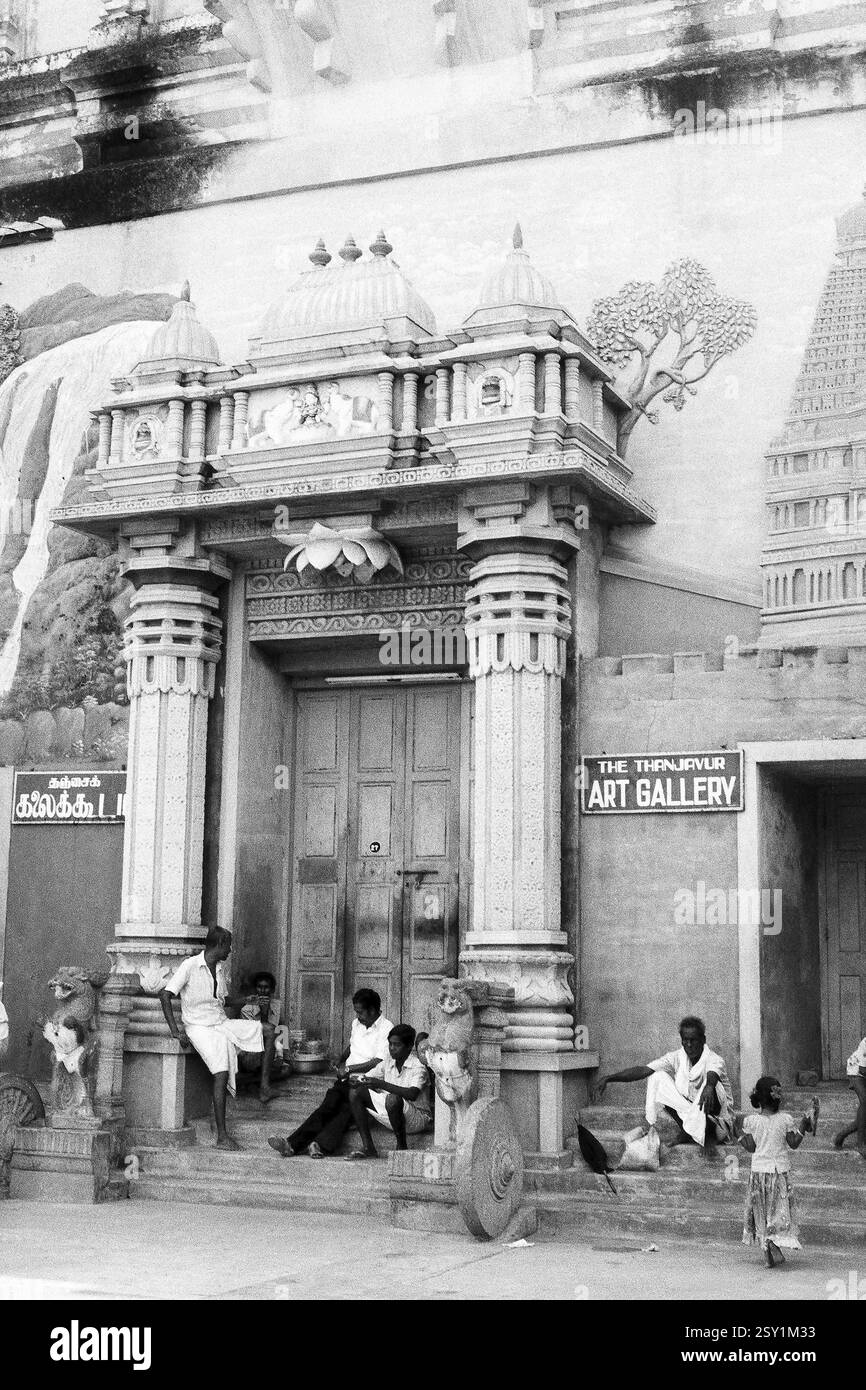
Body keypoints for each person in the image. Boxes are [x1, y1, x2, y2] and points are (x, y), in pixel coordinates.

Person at [158, 926, 276, 1150]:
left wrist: (246, 1000)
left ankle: (264, 1087)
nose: (230, 950)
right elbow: (165, 995)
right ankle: (222, 1136)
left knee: (269, 1030)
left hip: (221, 1023)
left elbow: (221, 1002)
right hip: (199, 1027)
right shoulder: (190, 966)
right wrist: (176, 1030)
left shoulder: (220, 969)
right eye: (229, 945)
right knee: (221, 1072)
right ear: (220, 943)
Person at [268, 988, 393, 1158]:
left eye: (360, 1012)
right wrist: (340, 1059)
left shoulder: (387, 1028)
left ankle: (315, 1144)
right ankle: (293, 1145)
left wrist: (349, 1069)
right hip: (347, 1079)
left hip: (367, 1084)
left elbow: (377, 1062)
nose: (357, 1016)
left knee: (346, 1111)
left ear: (372, 1010)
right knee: (328, 1106)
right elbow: (353, 1046)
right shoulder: (357, 1024)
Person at [592, 1015, 735, 1148]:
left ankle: (705, 1132)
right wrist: (609, 1078)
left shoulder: (714, 1059)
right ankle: (687, 1131)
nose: (689, 1045)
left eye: (694, 1040)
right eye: (685, 1040)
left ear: (703, 1040)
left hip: (717, 1126)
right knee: (657, 1078)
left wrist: (709, 1086)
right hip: (691, 1119)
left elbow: (713, 1073)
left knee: (711, 1084)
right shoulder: (677, 1057)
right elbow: (644, 1070)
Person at [739, 1076, 819, 1267]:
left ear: (758, 1098)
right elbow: (794, 1143)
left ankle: (767, 1251)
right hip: (778, 1174)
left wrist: (737, 1135)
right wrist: (803, 1126)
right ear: (778, 1098)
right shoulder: (785, 1120)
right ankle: (773, 1245)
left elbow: (750, 1148)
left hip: (758, 1175)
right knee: (778, 1214)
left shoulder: (751, 1121)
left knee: (762, 1214)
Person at [345, 1024, 432, 1159]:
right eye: (390, 1044)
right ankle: (368, 1147)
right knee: (355, 1092)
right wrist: (357, 1080)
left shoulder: (418, 1067)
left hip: (417, 1119)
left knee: (392, 1098)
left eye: (397, 1045)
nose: (392, 1048)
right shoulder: (388, 1062)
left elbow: (412, 1094)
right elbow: (368, 1077)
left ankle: (402, 1147)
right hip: (393, 1112)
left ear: (409, 1047)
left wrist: (381, 1084)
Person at [833, 1035, 866, 1159]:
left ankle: (842, 1134)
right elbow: (863, 1070)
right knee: (865, 1101)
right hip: (857, 1071)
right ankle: (861, 1143)